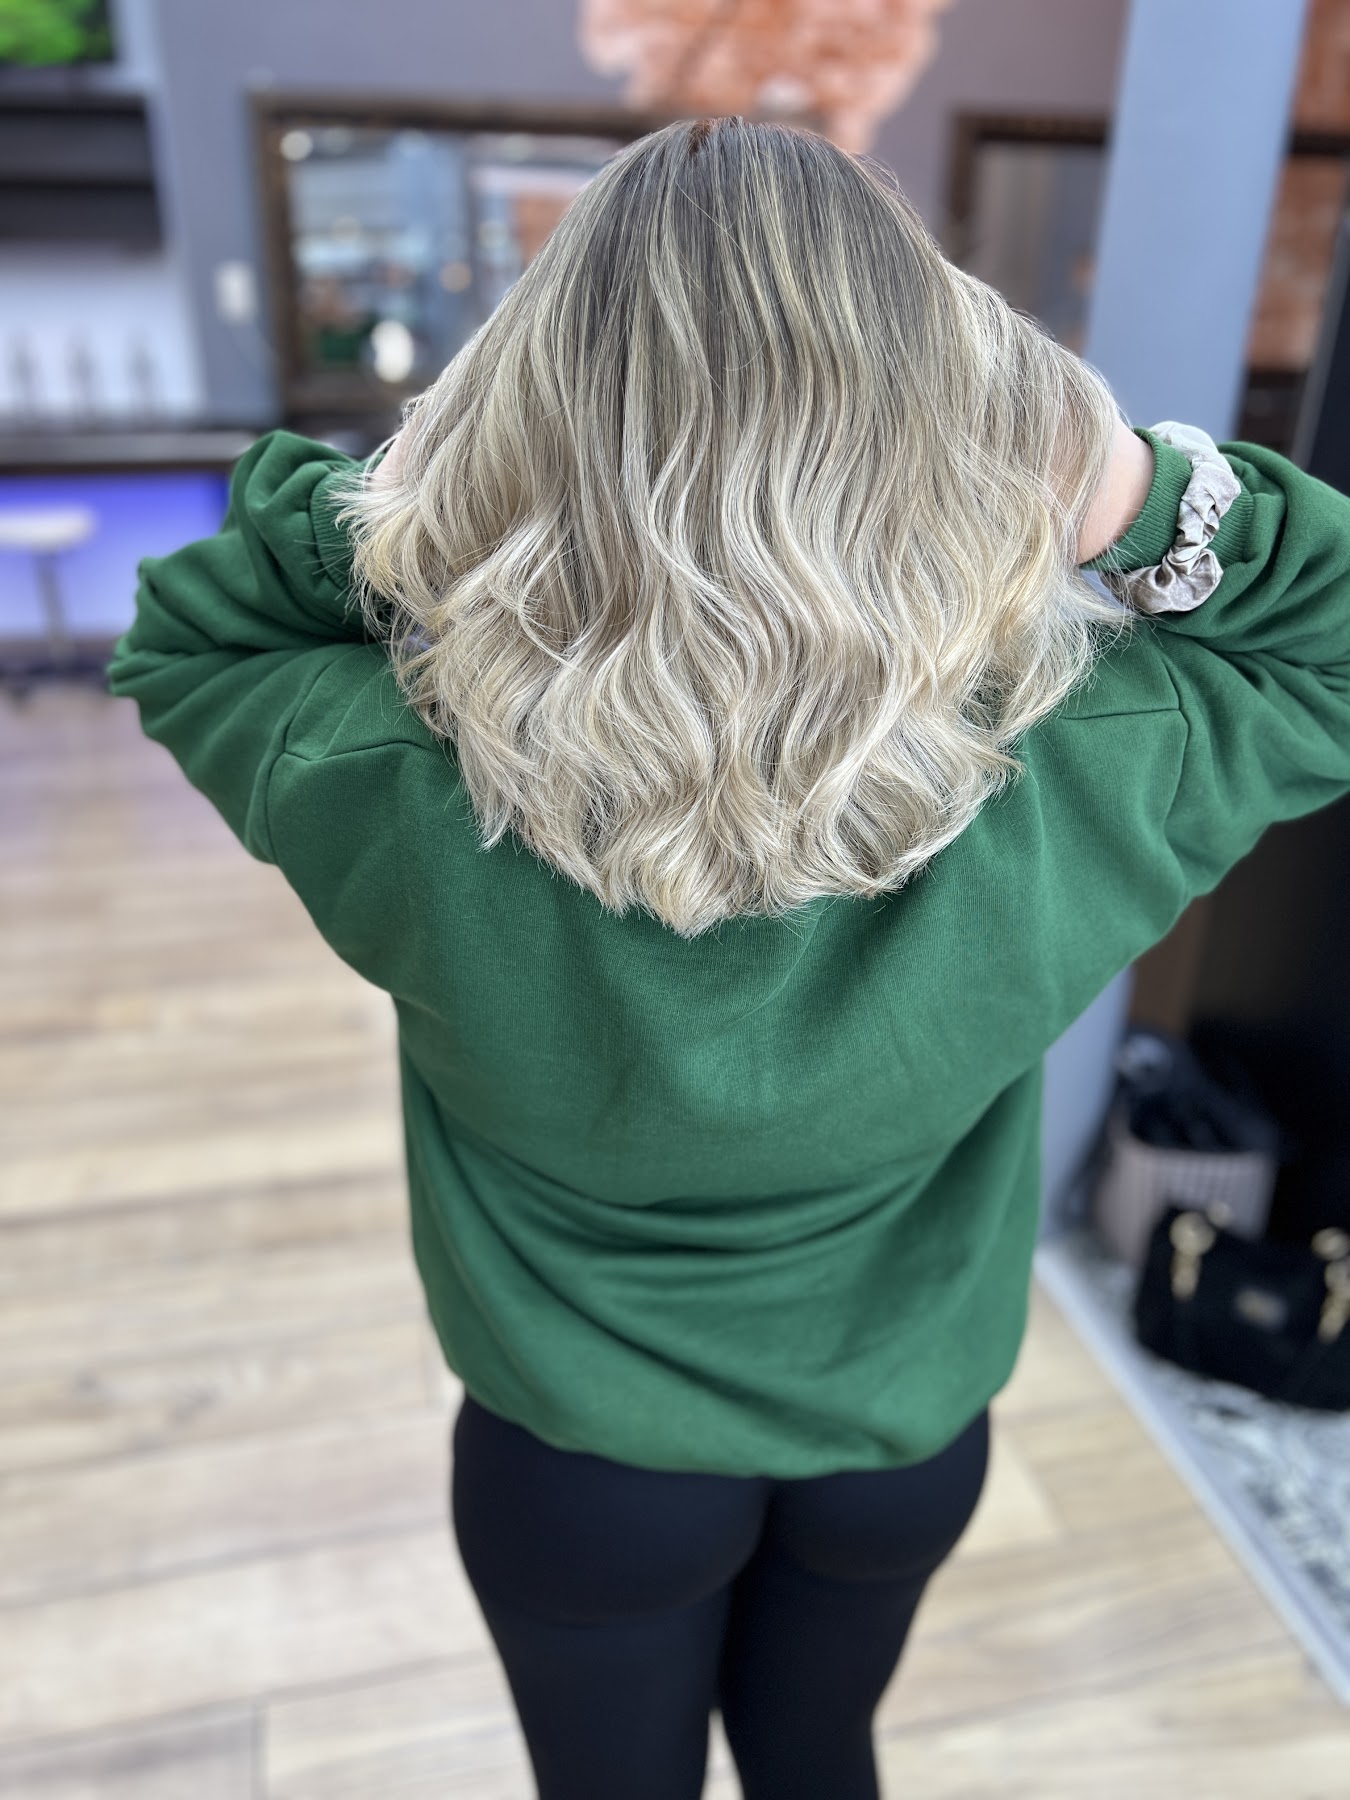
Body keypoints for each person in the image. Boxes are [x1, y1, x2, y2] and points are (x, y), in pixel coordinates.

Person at [106, 116, 1350, 1800]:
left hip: (581, 1466)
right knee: (820, 1759)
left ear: (522, 411)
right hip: (896, 1446)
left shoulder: (390, 773)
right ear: (956, 413)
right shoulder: (1095, 761)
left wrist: (439, 499)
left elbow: (194, 625)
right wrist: (1108, 479)